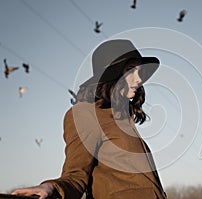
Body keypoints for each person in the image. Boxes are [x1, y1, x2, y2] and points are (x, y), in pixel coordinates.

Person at [12, 39, 167, 199]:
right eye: (130, 71)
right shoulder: (86, 114)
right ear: (112, 75)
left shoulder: (123, 118)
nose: (139, 79)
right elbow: (75, 175)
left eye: (139, 72)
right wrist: (51, 187)